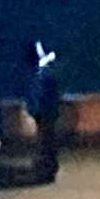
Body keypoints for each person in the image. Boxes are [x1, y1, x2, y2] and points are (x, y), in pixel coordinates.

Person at [26, 41, 62, 183]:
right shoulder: (44, 73)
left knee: (46, 143)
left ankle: (47, 171)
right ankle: (47, 170)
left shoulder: (44, 74)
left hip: (45, 114)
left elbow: (41, 96)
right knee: (47, 142)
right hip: (46, 114)